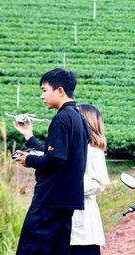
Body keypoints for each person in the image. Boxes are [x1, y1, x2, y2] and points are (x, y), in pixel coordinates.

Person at [13, 68, 89, 255]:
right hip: (67, 200)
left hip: (50, 199)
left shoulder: (61, 119)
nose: (42, 96)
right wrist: (29, 137)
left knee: (30, 249)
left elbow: (55, 160)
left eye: (44, 90)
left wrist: (28, 159)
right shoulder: (79, 118)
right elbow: (56, 154)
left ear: (60, 90)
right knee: (58, 250)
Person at [70, 103, 110, 255]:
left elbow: (99, 184)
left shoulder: (93, 152)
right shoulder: (77, 149)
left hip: (84, 222)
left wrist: (70, 177)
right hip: (72, 221)